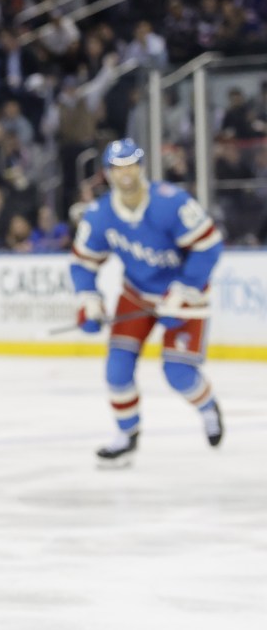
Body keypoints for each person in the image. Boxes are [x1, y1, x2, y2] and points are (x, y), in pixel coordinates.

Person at [70, 138, 224, 468]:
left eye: (130, 166)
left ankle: (209, 408)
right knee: (117, 369)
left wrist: (184, 290)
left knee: (179, 373)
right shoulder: (100, 215)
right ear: (108, 173)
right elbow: (83, 263)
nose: (125, 175)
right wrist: (89, 299)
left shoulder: (172, 203)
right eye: (117, 168)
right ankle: (127, 438)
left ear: (141, 167)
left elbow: (208, 245)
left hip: (184, 295)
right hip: (136, 293)